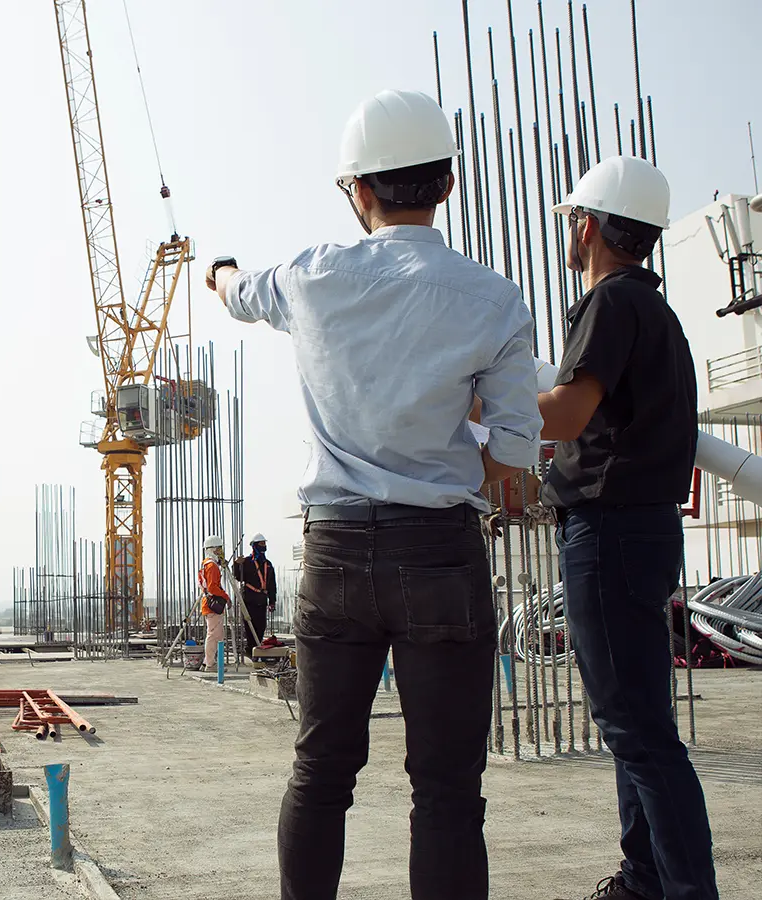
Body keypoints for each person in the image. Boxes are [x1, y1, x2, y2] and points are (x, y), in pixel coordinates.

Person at [205, 89, 542, 900]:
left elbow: (237, 291)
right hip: (441, 556)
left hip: (337, 555)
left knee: (322, 771)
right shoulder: (493, 297)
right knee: (448, 791)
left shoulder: (313, 275)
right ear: (448, 185)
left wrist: (217, 270)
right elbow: (516, 457)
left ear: (358, 190)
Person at [538, 155, 717, 900]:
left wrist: (471, 406)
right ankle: (645, 879)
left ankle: (681, 889)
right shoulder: (658, 312)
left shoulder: (611, 305)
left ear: (588, 226)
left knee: (639, 733)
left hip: (608, 533)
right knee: (635, 723)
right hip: (638, 532)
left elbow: (570, 414)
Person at [233, 533, 277, 659]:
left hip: (262, 600)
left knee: (261, 626)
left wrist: (272, 601)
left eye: (265, 544)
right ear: (255, 546)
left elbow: (272, 585)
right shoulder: (247, 562)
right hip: (249, 599)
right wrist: (237, 564)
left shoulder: (268, 564)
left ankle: (257, 649)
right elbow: (237, 576)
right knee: (249, 627)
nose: (264, 546)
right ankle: (250, 650)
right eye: (261, 544)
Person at [198, 535, 230, 674]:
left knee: (217, 634)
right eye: (218, 549)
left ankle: (210, 661)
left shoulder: (207, 564)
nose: (220, 552)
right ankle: (210, 663)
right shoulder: (211, 566)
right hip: (213, 603)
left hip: (209, 603)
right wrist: (226, 596)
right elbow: (212, 587)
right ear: (212, 549)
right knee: (214, 635)